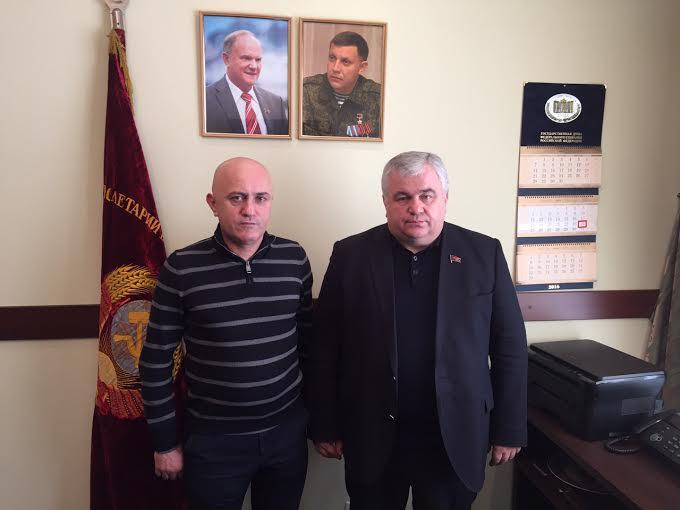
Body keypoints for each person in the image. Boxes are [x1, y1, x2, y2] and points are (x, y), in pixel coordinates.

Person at [306, 151, 527, 509]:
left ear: (445, 199)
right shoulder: (350, 255)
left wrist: (510, 427)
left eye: (427, 195)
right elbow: (325, 348)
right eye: (402, 197)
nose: (416, 208)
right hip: (373, 434)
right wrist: (325, 424)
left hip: (453, 437)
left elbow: (510, 348)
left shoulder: (483, 253)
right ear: (385, 202)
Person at [140, 157, 312, 510]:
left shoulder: (294, 258)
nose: (250, 209)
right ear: (213, 203)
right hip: (214, 442)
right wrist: (165, 443)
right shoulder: (182, 268)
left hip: (286, 436)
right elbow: (155, 362)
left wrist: (318, 420)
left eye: (260, 198)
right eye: (237, 197)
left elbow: (308, 345)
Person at [205, 31, 288, 135]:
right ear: (226, 59)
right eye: (246, 58)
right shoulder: (205, 99)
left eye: (258, 60)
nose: (254, 66)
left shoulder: (276, 103)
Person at [302, 31, 381, 138]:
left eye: (345, 62)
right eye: (332, 58)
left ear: (362, 67)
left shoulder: (378, 98)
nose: (335, 68)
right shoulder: (306, 91)